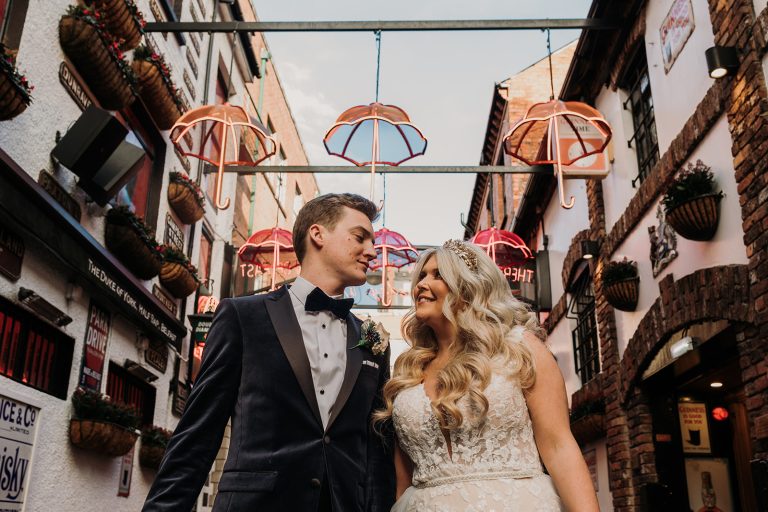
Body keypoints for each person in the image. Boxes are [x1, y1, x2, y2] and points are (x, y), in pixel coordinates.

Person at [142, 193, 395, 512]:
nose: (371, 251)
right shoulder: (242, 317)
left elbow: (377, 457)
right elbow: (198, 434)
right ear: (317, 234)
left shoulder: (372, 343)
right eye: (360, 237)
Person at [375, 240, 599, 511]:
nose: (420, 284)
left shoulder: (519, 348)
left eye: (437, 275)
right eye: (421, 276)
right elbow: (404, 480)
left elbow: (558, 446)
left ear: (467, 288)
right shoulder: (409, 370)